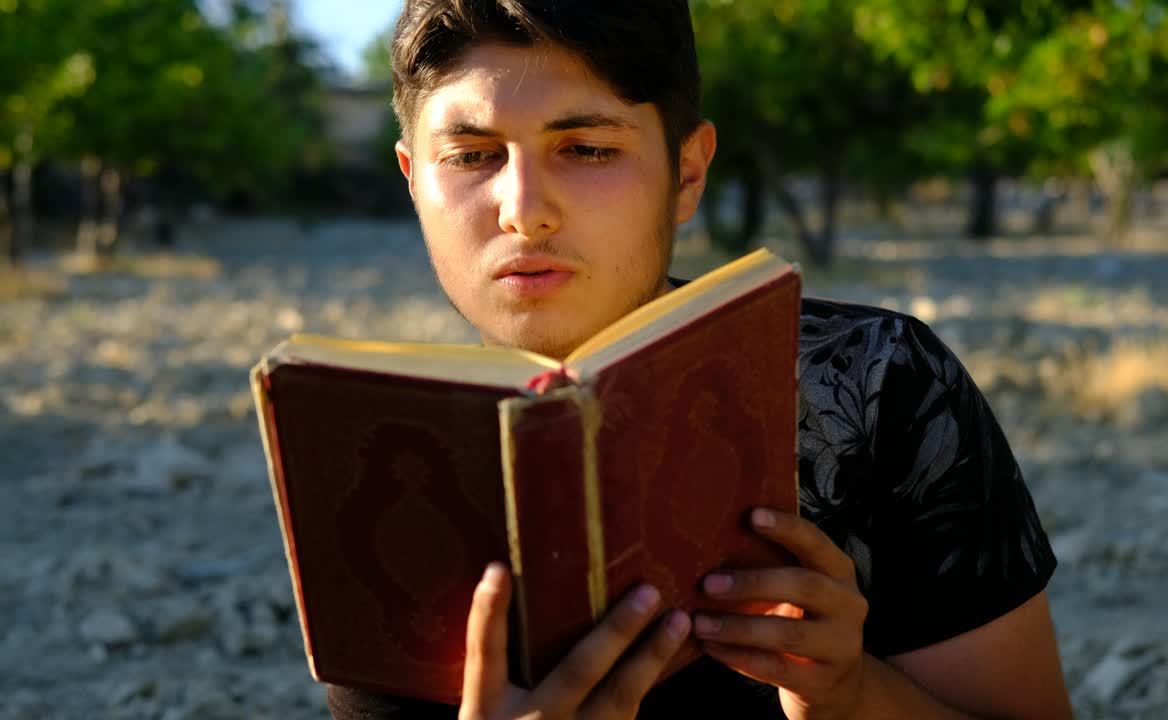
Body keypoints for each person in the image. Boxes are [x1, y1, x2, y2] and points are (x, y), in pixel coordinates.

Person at [327, 1, 1074, 718]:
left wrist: (851, 697)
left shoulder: (881, 388)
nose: (525, 207)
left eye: (587, 148)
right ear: (413, 180)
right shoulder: (370, 448)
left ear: (687, 173)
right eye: (471, 156)